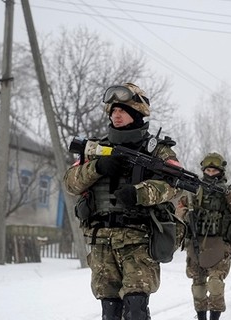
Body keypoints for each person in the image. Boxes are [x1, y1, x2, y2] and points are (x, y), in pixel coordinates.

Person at [63, 82, 183, 320]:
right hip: (101, 240)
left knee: (136, 309)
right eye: (113, 111)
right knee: (109, 310)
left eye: (123, 111)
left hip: (137, 239)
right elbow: (70, 183)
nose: (116, 115)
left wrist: (140, 193)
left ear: (137, 113)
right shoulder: (96, 149)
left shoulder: (157, 152)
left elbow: (175, 185)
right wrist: (97, 167)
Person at [176, 152, 231, 320]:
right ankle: (201, 316)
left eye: (214, 171)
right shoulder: (194, 190)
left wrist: (228, 194)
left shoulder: (230, 193)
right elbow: (180, 210)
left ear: (221, 172)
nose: (210, 174)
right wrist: (186, 215)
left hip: (219, 244)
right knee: (198, 286)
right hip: (196, 242)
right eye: (207, 170)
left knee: (215, 284)